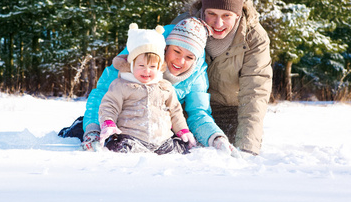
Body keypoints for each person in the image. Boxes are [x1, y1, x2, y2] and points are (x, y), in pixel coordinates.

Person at [60, 17, 239, 156]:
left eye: (190, 57)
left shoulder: (197, 73)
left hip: (155, 125)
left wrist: (216, 138)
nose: (180, 61)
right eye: (176, 51)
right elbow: (102, 95)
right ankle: (80, 125)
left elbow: (198, 113)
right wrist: (92, 129)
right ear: (165, 48)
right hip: (123, 122)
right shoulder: (141, 52)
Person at [172, 0, 273, 155]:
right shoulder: (183, 26)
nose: (218, 24)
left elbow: (255, 93)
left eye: (226, 15)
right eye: (212, 14)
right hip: (185, 108)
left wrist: (247, 148)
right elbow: (152, 58)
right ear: (203, 10)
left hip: (230, 111)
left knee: (226, 150)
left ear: (238, 14)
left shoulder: (254, 37)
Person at [98, 23, 196, 155]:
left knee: (183, 149)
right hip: (132, 138)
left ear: (160, 67)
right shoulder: (121, 85)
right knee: (117, 147)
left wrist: (183, 130)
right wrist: (108, 123)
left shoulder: (165, 87)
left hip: (163, 141)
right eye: (141, 65)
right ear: (132, 65)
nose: (147, 70)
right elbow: (109, 105)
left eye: (152, 66)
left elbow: (175, 112)